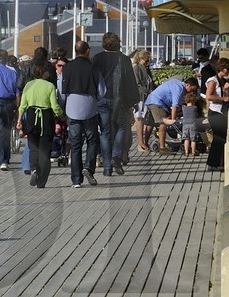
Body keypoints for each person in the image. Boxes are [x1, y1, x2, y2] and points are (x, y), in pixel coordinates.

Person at [90, 32, 140, 177]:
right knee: (122, 127)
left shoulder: (97, 58)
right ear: (118, 43)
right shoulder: (123, 59)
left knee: (105, 132)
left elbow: (93, 79)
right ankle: (116, 156)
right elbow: (130, 81)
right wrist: (133, 101)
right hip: (120, 99)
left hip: (101, 99)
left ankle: (107, 167)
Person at [60, 40, 102, 188]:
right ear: (88, 51)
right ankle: (88, 167)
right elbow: (102, 90)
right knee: (92, 140)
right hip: (90, 108)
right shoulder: (93, 68)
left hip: (72, 108)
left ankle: (76, 180)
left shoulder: (67, 67)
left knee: (75, 144)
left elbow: (61, 90)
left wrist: (62, 107)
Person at [18, 55, 62, 188]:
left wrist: (19, 120)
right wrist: (61, 114)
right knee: (45, 150)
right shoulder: (49, 86)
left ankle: (34, 169)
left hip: (31, 116)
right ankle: (42, 181)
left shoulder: (28, 85)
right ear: (43, 73)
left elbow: (22, 105)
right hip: (46, 118)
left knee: (33, 148)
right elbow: (54, 106)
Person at [143, 75, 187, 153]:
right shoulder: (179, 88)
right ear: (189, 85)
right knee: (163, 123)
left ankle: (145, 144)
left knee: (151, 123)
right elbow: (175, 106)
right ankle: (162, 148)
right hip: (157, 102)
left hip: (152, 99)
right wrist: (173, 119)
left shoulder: (176, 84)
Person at [204, 57, 229, 171]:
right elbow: (209, 96)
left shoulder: (224, 81)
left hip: (222, 112)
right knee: (219, 137)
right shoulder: (213, 81)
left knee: (222, 137)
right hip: (215, 111)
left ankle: (218, 162)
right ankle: (213, 163)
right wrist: (223, 98)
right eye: (227, 68)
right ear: (221, 68)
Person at [131, 49, 155, 152]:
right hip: (140, 97)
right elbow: (137, 84)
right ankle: (141, 143)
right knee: (140, 119)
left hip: (147, 97)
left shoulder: (147, 69)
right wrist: (149, 91)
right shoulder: (137, 68)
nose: (147, 62)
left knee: (149, 120)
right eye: (146, 60)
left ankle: (144, 142)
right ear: (140, 59)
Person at [180, 82, 203, 157]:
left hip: (185, 125)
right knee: (193, 139)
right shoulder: (195, 108)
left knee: (186, 139)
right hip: (193, 125)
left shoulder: (184, 108)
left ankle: (186, 152)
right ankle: (193, 152)